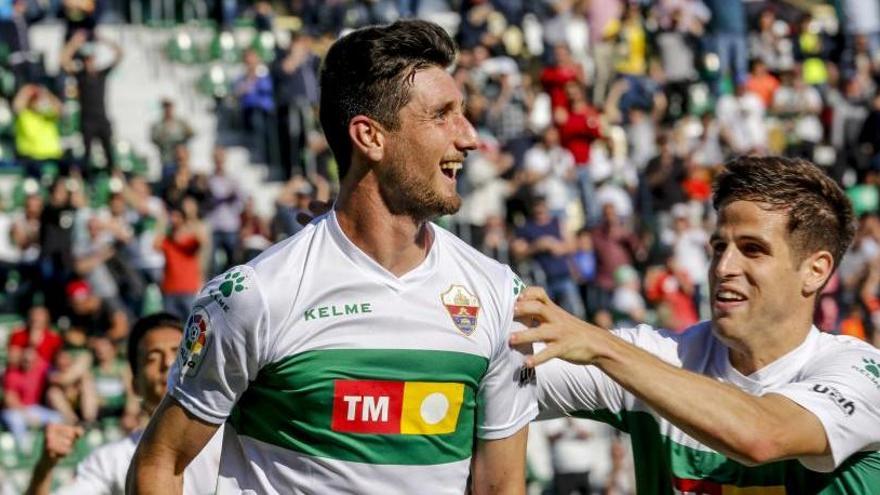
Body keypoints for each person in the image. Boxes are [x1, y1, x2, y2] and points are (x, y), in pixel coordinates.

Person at [128, 19, 537, 494]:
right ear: (370, 138)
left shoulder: (499, 295)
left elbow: (501, 487)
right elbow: (160, 464)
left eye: (462, 113)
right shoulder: (256, 295)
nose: (469, 138)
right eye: (442, 115)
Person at [511, 156, 880, 492]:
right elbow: (496, 369)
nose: (723, 268)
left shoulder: (861, 374)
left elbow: (763, 436)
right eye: (719, 247)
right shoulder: (659, 356)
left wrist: (603, 347)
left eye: (753, 249)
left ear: (816, 271)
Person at [25, 312, 222, 495]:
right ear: (135, 385)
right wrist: (43, 468)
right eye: (153, 358)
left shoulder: (232, 439)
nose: (168, 363)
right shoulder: (111, 460)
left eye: (179, 353)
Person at [60, 29, 123, 175]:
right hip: (87, 120)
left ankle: (113, 179)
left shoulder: (101, 74)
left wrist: (104, 39)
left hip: (101, 118)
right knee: (86, 156)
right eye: (87, 59)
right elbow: (64, 61)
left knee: (109, 155)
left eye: (91, 59)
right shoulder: (81, 76)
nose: (89, 62)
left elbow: (120, 55)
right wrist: (74, 43)